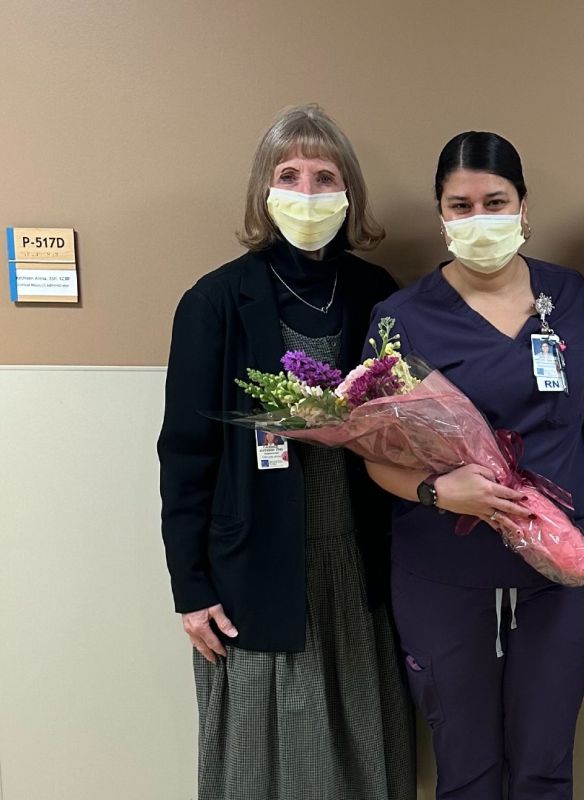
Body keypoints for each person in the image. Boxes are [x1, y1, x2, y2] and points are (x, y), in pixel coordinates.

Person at [158, 104, 415, 800]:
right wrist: (191, 588)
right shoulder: (214, 302)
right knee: (270, 771)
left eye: (325, 177)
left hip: (359, 566)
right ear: (263, 192)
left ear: (349, 192)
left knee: (363, 757)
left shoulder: (377, 293)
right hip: (255, 568)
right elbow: (185, 456)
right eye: (290, 175)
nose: (307, 194)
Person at [362, 131, 584, 800]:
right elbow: (374, 458)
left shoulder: (570, 297)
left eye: (495, 202)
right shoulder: (400, 320)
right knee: (465, 767)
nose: (480, 220)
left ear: (525, 209)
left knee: (543, 766)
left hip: (561, 566)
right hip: (443, 571)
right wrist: (442, 493)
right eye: (461, 205)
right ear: (440, 215)